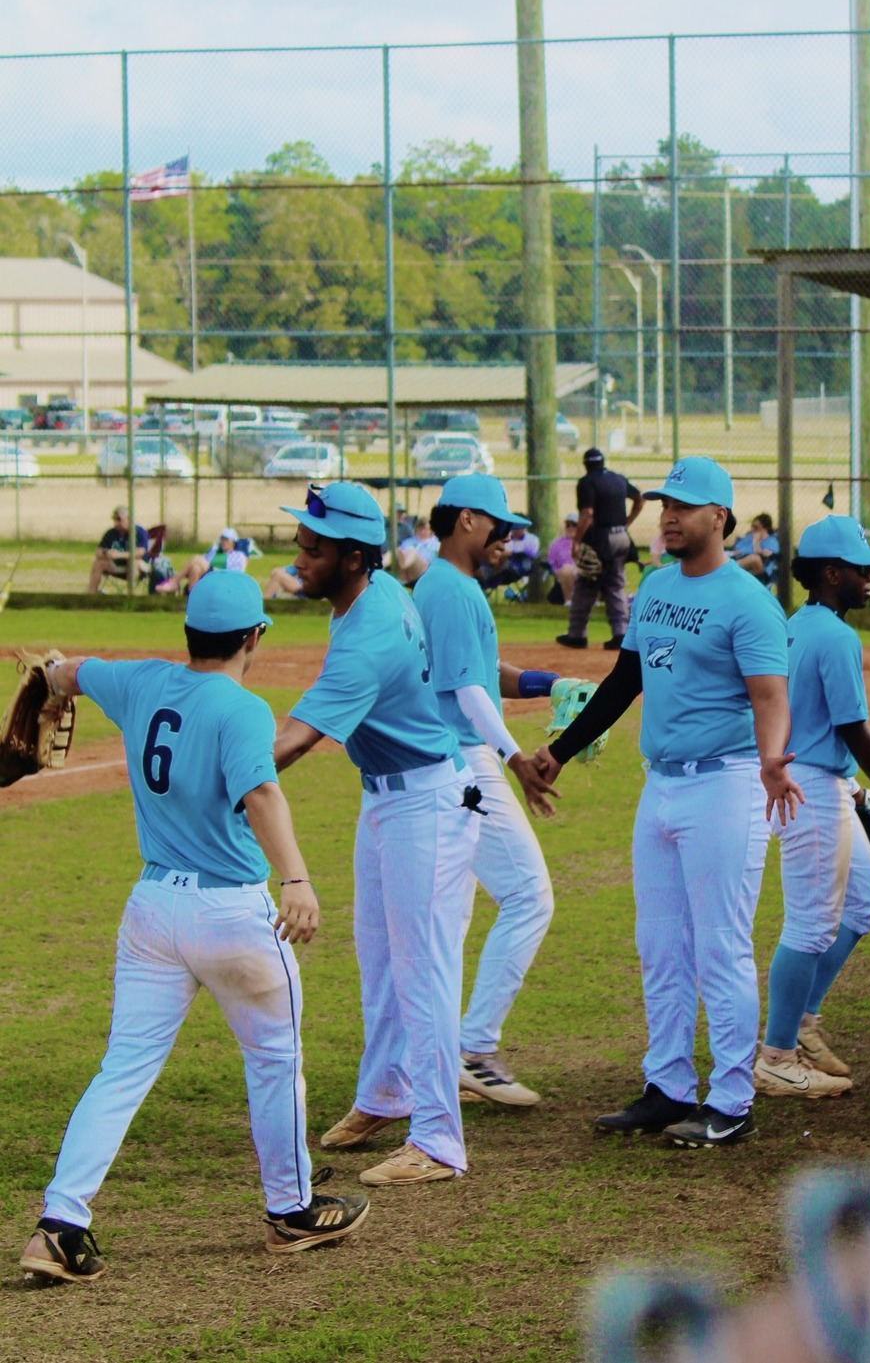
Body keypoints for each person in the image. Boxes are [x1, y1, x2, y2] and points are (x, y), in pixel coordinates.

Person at [19, 573, 368, 1282]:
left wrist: (49, 676)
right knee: (274, 1059)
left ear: (189, 632)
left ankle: (60, 1224)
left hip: (152, 912)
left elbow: (71, 672)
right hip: (231, 914)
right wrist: (296, 879)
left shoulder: (141, 680)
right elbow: (261, 792)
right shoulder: (241, 709)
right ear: (253, 636)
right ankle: (291, 1209)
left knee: (123, 1067)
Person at [533, 456, 801, 1148]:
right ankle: (668, 1085)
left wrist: (772, 760)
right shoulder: (654, 587)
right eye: (664, 504)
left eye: (683, 506)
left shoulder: (748, 600)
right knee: (659, 945)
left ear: (719, 516)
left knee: (720, 946)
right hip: (660, 784)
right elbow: (624, 681)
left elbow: (770, 695)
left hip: (725, 783)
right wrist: (561, 749)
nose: (668, 516)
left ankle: (731, 1098)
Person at [272, 481, 480, 1187]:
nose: (299, 557)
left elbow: (293, 742)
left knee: (423, 970)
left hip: (427, 803)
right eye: (301, 542)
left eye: (314, 547)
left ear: (355, 556)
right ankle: (387, 1092)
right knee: (381, 959)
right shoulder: (376, 590)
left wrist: (214, 776)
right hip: (393, 797)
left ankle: (439, 1141)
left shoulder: (367, 634)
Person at [756, 515, 870, 1100]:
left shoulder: (795, 626)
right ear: (832, 573)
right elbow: (853, 730)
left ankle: (802, 1021)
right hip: (808, 789)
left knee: (862, 905)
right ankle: (776, 1057)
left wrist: (857, 791)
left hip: (814, 780)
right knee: (810, 924)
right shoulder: (836, 637)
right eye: (863, 569)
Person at [415, 474, 560, 1108]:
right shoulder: (451, 590)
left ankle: (440, 1054)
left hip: (449, 761)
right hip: (466, 763)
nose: (510, 537)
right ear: (467, 520)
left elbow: (481, 671)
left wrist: (549, 683)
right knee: (529, 895)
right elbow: (469, 692)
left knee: (455, 913)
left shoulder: (445, 585)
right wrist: (515, 758)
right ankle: (473, 1050)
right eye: (501, 525)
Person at [557, 447, 644, 651]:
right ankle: (620, 634)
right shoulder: (618, 479)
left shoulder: (587, 482)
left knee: (586, 583)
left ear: (586, 465)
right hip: (622, 537)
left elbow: (587, 514)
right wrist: (627, 522)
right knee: (615, 585)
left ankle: (577, 635)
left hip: (600, 538)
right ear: (603, 462)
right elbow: (640, 499)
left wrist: (576, 541)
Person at [87, 505, 150, 593]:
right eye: (115, 520)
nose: (116, 523)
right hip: (117, 565)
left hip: (139, 565)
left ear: (129, 519)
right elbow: (98, 551)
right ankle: (91, 594)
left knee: (133, 563)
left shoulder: (139, 532)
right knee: (98, 563)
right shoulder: (111, 533)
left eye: (119, 520)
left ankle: (130, 596)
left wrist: (119, 555)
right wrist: (106, 553)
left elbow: (140, 552)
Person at [731, 513, 780, 585]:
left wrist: (755, 543)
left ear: (765, 528)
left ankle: (729, 569)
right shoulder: (750, 537)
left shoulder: (771, 541)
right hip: (744, 567)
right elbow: (737, 549)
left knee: (755, 558)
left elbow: (765, 556)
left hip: (761, 572)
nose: (752, 529)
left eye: (756, 527)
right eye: (752, 526)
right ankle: (729, 569)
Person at [546, 512, 580, 603]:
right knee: (566, 569)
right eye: (568, 525)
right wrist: (557, 571)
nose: (570, 528)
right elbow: (551, 563)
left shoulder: (586, 541)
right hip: (564, 575)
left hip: (582, 571)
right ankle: (568, 601)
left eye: (574, 525)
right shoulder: (556, 544)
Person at [396, 517, 439, 586]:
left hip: (424, 572)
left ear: (431, 530)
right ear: (416, 529)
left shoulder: (436, 545)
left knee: (412, 551)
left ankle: (403, 566)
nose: (422, 532)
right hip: (408, 571)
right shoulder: (408, 541)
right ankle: (380, 566)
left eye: (425, 529)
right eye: (420, 529)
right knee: (394, 551)